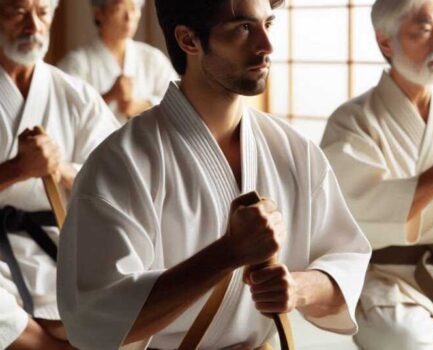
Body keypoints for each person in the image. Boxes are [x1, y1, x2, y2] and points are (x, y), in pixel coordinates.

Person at [57, 0, 371, 349]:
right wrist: (227, 253)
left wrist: (297, 288)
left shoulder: (296, 151)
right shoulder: (121, 163)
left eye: (268, 24)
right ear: (189, 40)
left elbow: (347, 259)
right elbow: (94, 321)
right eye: (243, 29)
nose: (267, 46)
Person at [321, 0, 433, 349]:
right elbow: (355, 214)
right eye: (424, 30)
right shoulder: (353, 122)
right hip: (384, 276)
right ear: (386, 43)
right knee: (404, 338)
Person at [0, 0, 119, 348]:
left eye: (42, 12)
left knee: (130, 288)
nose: (32, 25)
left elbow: (117, 180)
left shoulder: (77, 95)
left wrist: (62, 170)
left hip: (61, 239)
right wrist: (16, 170)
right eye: (17, 11)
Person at [58, 0, 177, 124]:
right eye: (120, 8)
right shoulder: (76, 64)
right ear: (99, 13)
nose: (129, 17)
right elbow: (65, 114)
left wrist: (137, 106)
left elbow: (178, 102)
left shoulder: (153, 58)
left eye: (134, 8)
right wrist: (109, 96)